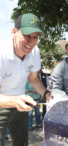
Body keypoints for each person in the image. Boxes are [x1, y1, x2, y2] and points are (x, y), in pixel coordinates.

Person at [0, 13, 51, 146]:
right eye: (27, 36)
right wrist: (15, 100)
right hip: (2, 103)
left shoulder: (35, 51)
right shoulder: (1, 53)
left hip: (20, 104)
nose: (31, 42)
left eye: (35, 37)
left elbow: (33, 79)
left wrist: (47, 94)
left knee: (21, 143)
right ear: (14, 32)